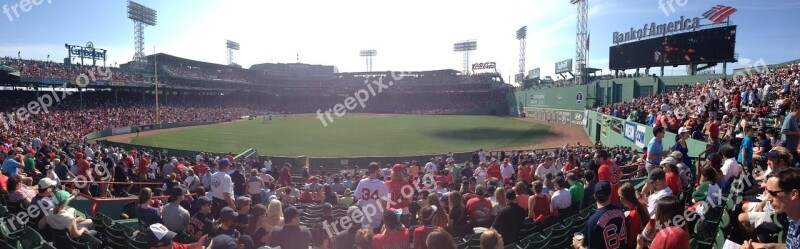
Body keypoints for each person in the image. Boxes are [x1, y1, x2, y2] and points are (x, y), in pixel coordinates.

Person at [743, 167, 800, 249]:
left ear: (793, 194)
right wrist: (766, 246)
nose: (768, 199)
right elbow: (790, 247)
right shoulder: (792, 218)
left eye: (773, 193)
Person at [573, 181, 628, 249]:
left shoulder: (592, 222)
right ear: (610, 194)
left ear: (595, 196)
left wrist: (578, 246)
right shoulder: (620, 211)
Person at [354, 162, 390, 231]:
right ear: (376, 171)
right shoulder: (381, 184)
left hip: (365, 218)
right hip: (377, 219)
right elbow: (385, 203)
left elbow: (356, 197)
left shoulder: (362, 182)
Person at [619, 183, 647, 249]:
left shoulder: (633, 215)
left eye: (620, 197)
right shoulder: (641, 204)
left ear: (624, 199)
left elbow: (631, 240)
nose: (619, 199)